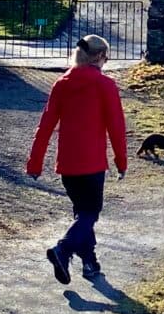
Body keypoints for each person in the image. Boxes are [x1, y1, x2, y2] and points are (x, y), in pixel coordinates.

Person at [26, 33, 127, 285]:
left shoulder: (62, 84)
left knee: (82, 214)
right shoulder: (105, 85)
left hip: (68, 164)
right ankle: (62, 249)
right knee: (90, 214)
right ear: (100, 57)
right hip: (92, 163)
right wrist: (121, 161)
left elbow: (45, 125)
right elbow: (116, 127)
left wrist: (35, 162)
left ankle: (90, 263)